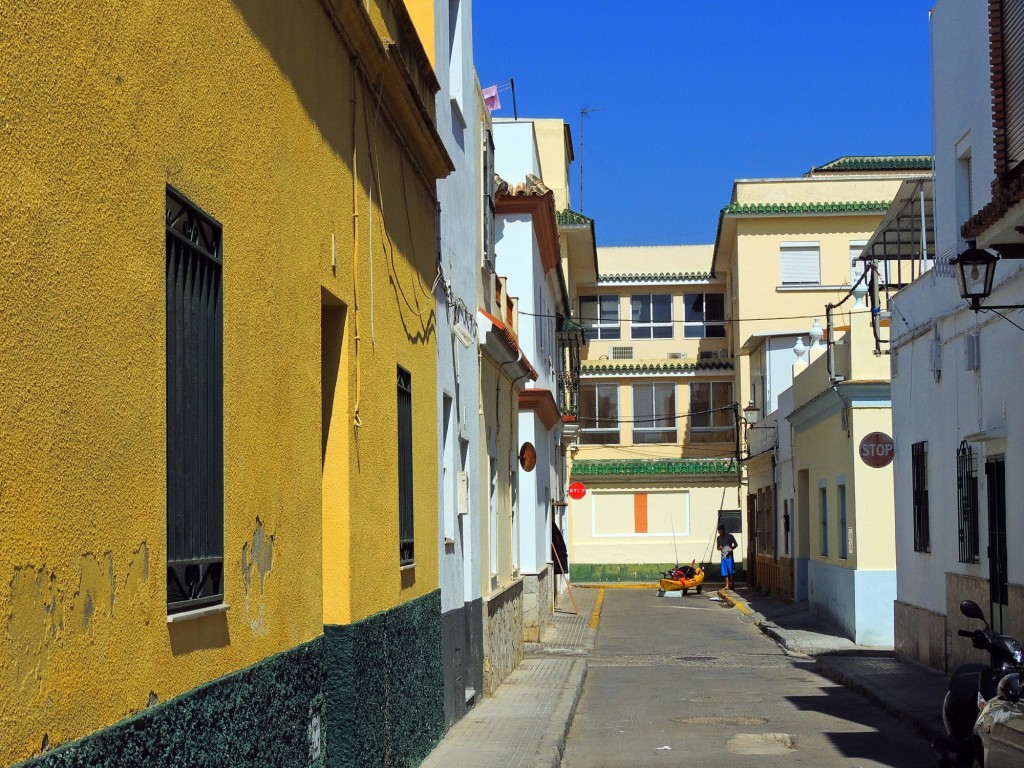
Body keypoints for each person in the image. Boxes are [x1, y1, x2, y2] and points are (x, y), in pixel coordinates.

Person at [716, 525, 739, 590]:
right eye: (719, 532)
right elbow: (717, 547)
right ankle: (727, 585)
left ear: (723, 530)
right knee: (725, 572)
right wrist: (719, 548)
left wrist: (732, 548)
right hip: (723, 557)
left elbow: (736, 544)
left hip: (729, 556)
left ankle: (732, 584)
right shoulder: (718, 538)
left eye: (721, 531)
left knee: (731, 571)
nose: (720, 533)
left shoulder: (730, 536)